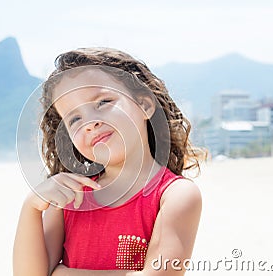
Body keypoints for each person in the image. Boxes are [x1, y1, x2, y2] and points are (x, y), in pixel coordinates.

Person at [13, 47, 205, 276]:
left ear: (144, 105)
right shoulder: (70, 199)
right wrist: (31, 208)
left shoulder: (174, 195)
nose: (90, 123)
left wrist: (62, 274)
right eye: (74, 118)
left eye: (103, 102)